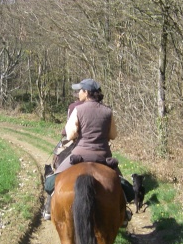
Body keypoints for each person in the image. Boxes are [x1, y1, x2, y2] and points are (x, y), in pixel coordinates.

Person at [43, 78, 134, 222]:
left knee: (52, 180)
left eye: (80, 90)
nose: (78, 93)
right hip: (103, 156)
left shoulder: (78, 109)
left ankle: (49, 207)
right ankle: (124, 214)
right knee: (123, 185)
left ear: (86, 92)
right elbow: (113, 135)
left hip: (79, 155)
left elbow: (71, 134)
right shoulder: (107, 111)